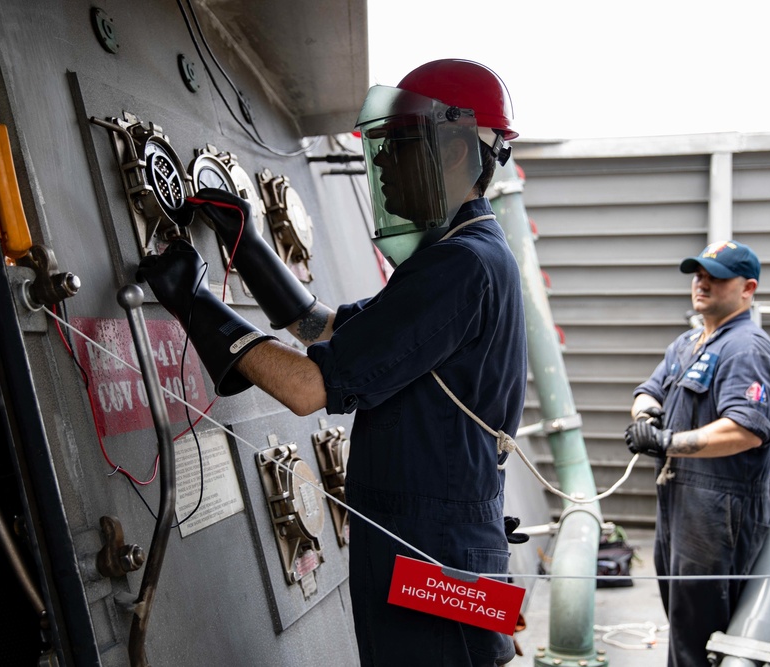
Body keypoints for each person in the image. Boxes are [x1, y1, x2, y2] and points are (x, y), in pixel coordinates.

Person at [137, 59, 526, 666]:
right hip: (442, 553)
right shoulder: (461, 255)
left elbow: (308, 388)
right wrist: (249, 244)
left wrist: (195, 304)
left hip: (433, 565)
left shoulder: (462, 267)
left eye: (397, 147)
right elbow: (326, 326)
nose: (384, 169)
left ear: (452, 150)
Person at [625, 240, 770, 667]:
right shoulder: (688, 343)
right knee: (683, 622)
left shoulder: (747, 348)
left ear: (748, 288)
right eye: (698, 274)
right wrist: (647, 416)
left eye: (717, 276)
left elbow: (746, 429)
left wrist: (667, 442)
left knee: (707, 640)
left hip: (719, 512)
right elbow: (648, 390)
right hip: (679, 505)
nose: (702, 282)